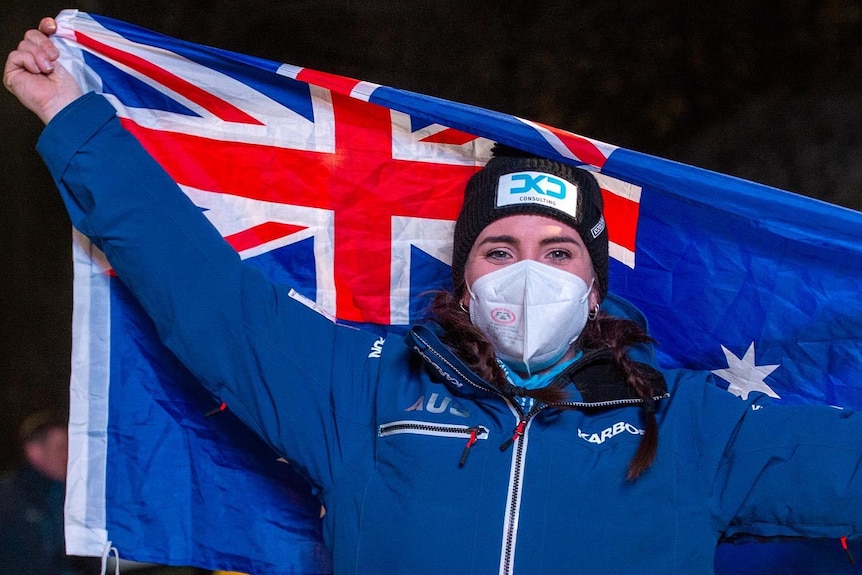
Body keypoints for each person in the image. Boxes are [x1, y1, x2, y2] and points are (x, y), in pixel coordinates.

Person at [5, 17, 862, 575]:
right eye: (501, 248)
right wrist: (78, 121)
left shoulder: (690, 425)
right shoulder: (367, 387)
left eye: (559, 251)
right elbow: (205, 294)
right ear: (465, 274)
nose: (530, 272)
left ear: (594, 281)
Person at [0, 409, 99, 575]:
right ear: (35, 452)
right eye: (61, 447)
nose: (69, 455)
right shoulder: (8, 498)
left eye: (72, 447)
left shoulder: (80, 496)